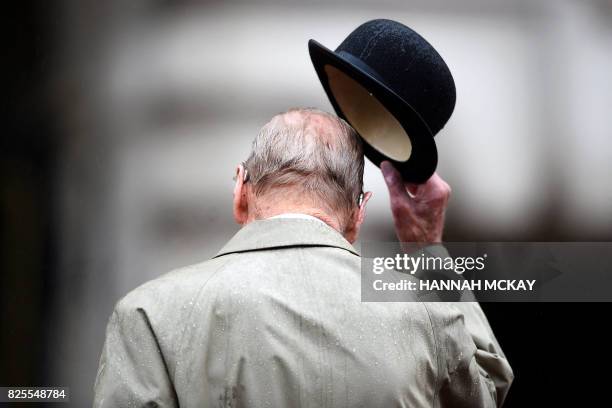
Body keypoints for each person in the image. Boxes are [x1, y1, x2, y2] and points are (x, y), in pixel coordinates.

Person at [93, 108, 513, 407]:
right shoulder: (426, 315)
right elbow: (486, 389)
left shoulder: (149, 316)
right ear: (358, 212)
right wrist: (426, 249)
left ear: (241, 190)